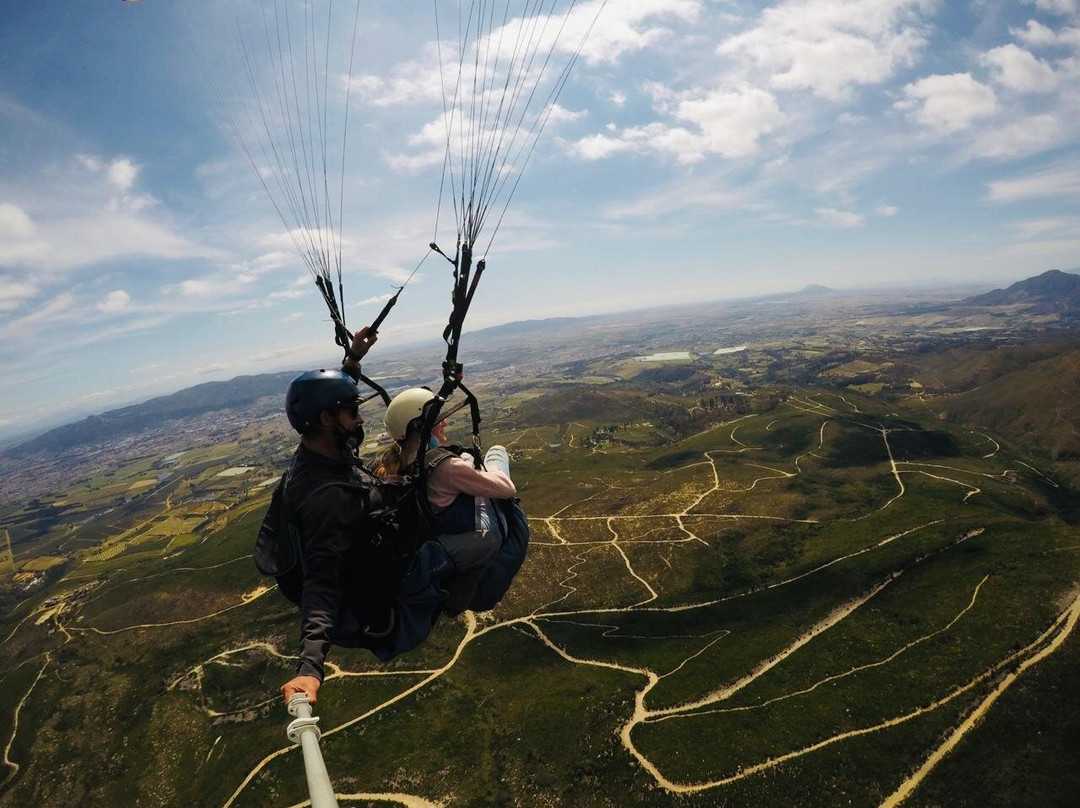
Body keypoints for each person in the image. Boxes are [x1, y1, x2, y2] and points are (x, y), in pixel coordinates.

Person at [278, 327, 391, 708]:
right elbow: (321, 583)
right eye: (353, 412)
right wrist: (310, 668)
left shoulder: (318, 453)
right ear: (328, 419)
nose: (358, 420)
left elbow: (332, 405)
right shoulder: (326, 497)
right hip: (374, 596)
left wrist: (353, 361)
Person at [377, 388, 516, 615]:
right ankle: (458, 601)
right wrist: (487, 468)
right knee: (497, 454)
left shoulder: (392, 460)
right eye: (439, 420)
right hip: (439, 540)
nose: (444, 424)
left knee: (468, 459)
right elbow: (507, 489)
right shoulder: (444, 467)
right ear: (421, 427)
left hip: (420, 536)